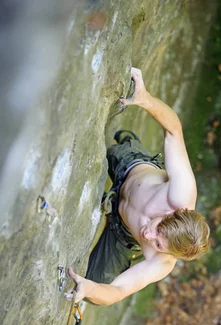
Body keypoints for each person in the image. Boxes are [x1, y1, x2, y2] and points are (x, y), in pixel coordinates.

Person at [66, 67, 210, 306]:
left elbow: (118, 292)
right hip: (130, 168)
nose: (148, 235)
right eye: (158, 230)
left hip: (121, 230)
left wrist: (89, 288)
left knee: (94, 285)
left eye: (157, 245)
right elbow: (174, 131)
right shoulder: (182, 192)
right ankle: (130, 142)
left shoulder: (161, 262)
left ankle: (107, 207)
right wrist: (146, 100)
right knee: (107, 152)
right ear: (173, 213)